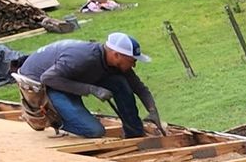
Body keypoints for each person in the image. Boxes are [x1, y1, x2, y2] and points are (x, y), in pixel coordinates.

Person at [14, 31, 166, 139]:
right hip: (42, 84)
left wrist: (153, 111)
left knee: (120, 82)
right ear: (116, 55)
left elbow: (139, 88)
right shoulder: (83, 59)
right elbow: (48, 78)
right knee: (94, 131)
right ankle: (47, 119)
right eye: (132, 60)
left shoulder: (115, 63)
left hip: (66, 77)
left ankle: (134, 132)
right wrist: (92, 89)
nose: (134, 65)